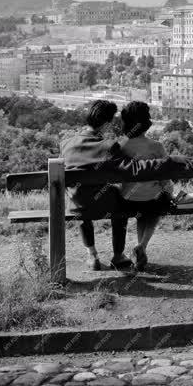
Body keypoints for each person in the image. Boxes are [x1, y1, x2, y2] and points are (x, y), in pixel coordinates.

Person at [60, 100, 133, 271]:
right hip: (105, 204)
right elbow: (126, 170)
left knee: (78, 195)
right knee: (121, 201)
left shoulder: (66, 144)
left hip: (78, 206)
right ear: (107, 123)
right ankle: (118, 255)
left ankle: (92, 255)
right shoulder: (109, 146)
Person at [119, 101, 174, 271]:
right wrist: (171, 194)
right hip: (152, 200)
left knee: (142, 211)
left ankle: (140, 248)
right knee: (154, 208)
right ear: (146, 123)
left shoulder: (120, 146)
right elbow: (165, 179)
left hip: (126, 200)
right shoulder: (156, 146)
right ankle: (141, 245)